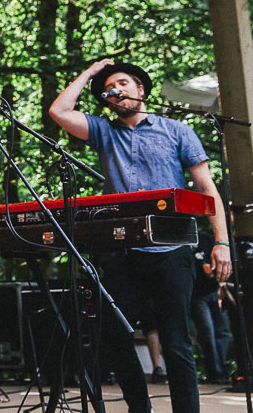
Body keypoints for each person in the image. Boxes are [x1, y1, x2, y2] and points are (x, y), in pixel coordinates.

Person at [49, 59, 232, 413]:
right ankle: (139, 408)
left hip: (172, 247)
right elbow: (59, 110)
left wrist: (221, 242)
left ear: (140, 90)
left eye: (121, 83)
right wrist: (89, 73)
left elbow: (207, 188)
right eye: (108, 90)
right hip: (124, 251)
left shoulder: (177, 130)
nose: (114, 90)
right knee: (114, 336)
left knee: (176, 341)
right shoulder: (103, 131)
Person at [192, 229, 232, 384]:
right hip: (197, 295)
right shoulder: (184, 243)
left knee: (222, 331)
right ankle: (215, 372)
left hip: (214, 290)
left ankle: (221, 369)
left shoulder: (205, 238)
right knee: (207, 332)